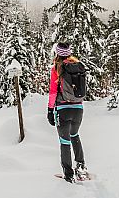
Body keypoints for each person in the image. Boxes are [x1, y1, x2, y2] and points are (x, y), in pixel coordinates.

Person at [47, 42, 87, 183]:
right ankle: (81, 166)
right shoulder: (78, 67)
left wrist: (50, 110)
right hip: (78, 109)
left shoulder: (56, 69)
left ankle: (68, 174)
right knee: (75, 135)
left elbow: (53, 93)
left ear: (57, 53)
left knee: (64, 141)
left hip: (63, 109)